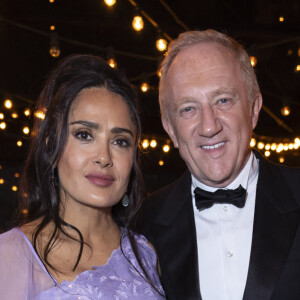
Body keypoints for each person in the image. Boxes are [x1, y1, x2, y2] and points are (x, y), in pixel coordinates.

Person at [140, 29, 300, 300]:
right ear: (170, 128)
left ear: (254, 109)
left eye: (223, 100)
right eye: (188, 108)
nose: (209, 126)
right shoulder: (142, 226)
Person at [0, 54, 165, 299]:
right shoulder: (10, 254)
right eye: (85, 135)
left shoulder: (146, 255)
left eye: (120, 141)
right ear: (51, 146)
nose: (103, 157)